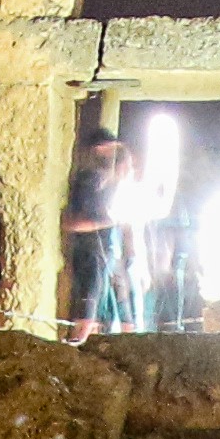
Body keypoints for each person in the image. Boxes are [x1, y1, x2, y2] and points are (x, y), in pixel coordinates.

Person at [61, 122, 133, 337]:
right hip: (91, 254)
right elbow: (71, 224)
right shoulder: (87, 183)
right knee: (88, 308)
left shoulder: (110, 187)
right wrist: (108, 221)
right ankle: (77, 341)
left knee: (124, 307)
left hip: (108, 254)